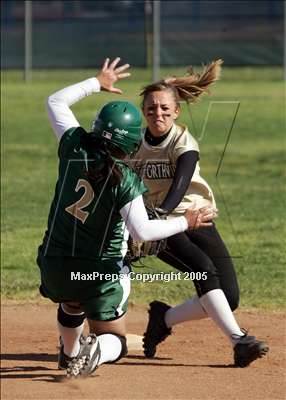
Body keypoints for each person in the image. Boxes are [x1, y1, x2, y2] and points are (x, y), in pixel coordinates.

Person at [36, 57, 216, 378]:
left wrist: (97, 83)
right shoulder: (126, 179)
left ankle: (69, 352)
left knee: (70, 301)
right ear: (133, 140)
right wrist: (184, 222)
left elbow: (55, 100)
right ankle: (99, 349)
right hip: (98, 274)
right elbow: (144, 231)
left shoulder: (74, 145)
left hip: (54, 264)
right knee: (115, 339)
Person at [130, 59, 269, 367]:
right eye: (151, 108)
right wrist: (146, 222)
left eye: (165, 108)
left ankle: (163, 318)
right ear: (143, 111)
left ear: (177, 111)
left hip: (197, 217)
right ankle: (239, 341)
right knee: (204, 271)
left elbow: (180, 184)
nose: (158, 114)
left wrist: (161, 211)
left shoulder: (183, 141)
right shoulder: (134, 144)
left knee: (228, 297)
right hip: (164, 228)